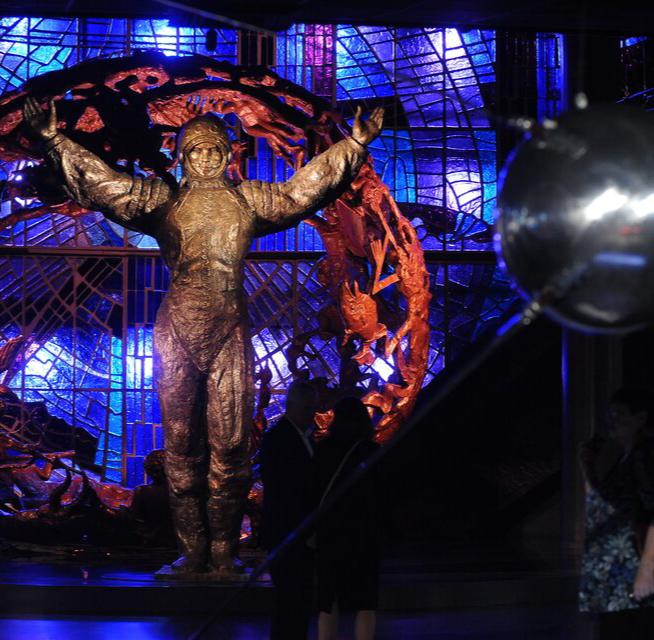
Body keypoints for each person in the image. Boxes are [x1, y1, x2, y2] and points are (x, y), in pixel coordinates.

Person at [23, 97, 384, 574]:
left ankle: (223, 552)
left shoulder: (249, 200)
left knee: (231, 447)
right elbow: (103, 184)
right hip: (177, 329)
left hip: (228, 327)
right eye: (197, 150)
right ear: (182, 156)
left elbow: (303, 190)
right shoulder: (162, 199)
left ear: (228, 154)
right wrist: (54, 141)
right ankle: (192, 552)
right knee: (181, 447)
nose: (207, 158)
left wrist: (352, 146)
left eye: (215, 149)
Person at [578, 388, 654, 640]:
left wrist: (646, 568)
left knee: (638, 628)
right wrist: (587, 468)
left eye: (619, 413)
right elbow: (600, 507)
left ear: (641, 418)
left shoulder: (648, 456)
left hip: (633, 568)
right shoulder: (629, 458)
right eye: (610, 413)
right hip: (619, 570)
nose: (611, 419)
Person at [315, 396, 382, 640]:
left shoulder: (322, 450)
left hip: (330, 531)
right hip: (364, 532)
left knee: (328, 599)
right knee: (365, 600)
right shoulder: (371, 452)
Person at [258, 381, 321, 640]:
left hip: (294, 531)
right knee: (290, 600)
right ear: (292, 406)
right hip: (289, 531)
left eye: (313, 409)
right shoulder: (280, 439)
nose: (312, 415)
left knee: (297, 600)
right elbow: (284, 489)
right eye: (308, 409)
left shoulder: (294, 436)